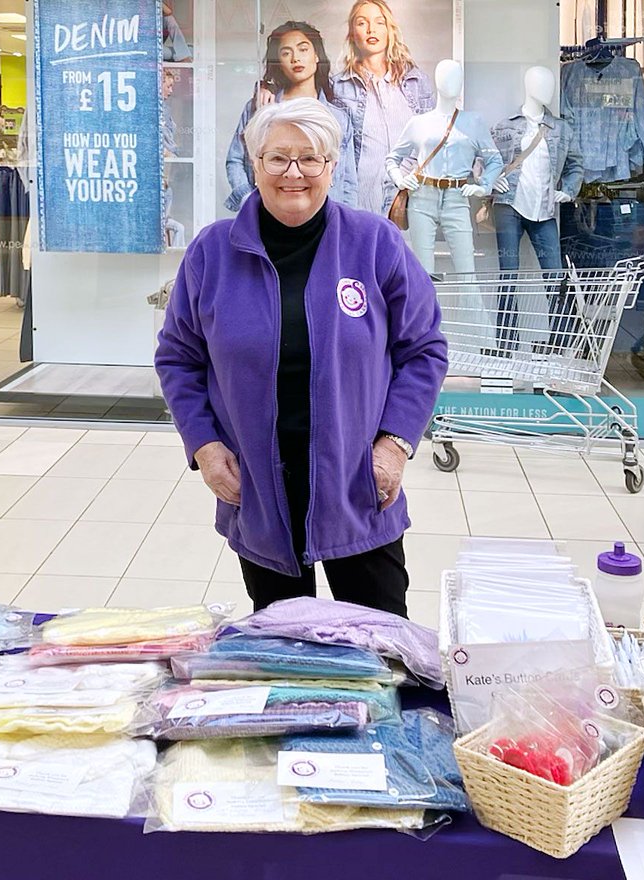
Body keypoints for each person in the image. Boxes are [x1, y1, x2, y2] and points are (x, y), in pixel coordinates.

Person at [156, 98, 448, 617]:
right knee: (287, 648)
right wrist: (202, 445)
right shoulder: (212, 253)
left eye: (310, 158)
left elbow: (423, 349)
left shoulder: (374, 243)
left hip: (359, 485)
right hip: (259, 489)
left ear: (332, 167)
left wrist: (396, 444)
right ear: (256, 164)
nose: (294, 173)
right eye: (278, 158)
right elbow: (179, 357)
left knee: (380, 642)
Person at [224, 21, 358, 212]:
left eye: (303, 50)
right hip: (269, 218)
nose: (296, 58)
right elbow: (235, 160)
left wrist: (346, 222)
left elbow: (348, 181)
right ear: (279, 62)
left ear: (317, 55)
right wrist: (249, 202)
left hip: (325, 220)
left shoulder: (338, 117)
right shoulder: (260, 107)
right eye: (286, 53)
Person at [331, 0, 435, 215]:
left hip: (408, 197)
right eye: (362, 23)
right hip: (360, 197)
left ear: (389, 30)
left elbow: (433, 139)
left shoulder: (415, 81)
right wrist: (268, 84)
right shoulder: (338, 86)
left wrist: (408, 180)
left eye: (379, 22)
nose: (371, 29)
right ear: (352, 33)